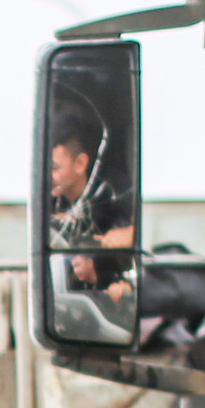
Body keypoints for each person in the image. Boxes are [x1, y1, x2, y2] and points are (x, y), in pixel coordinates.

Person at [50, 106, 135, 296]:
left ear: (80, 163)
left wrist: (129, 235)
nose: (49, 177)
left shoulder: (110, 196)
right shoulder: (49, 201)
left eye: (55, 168)